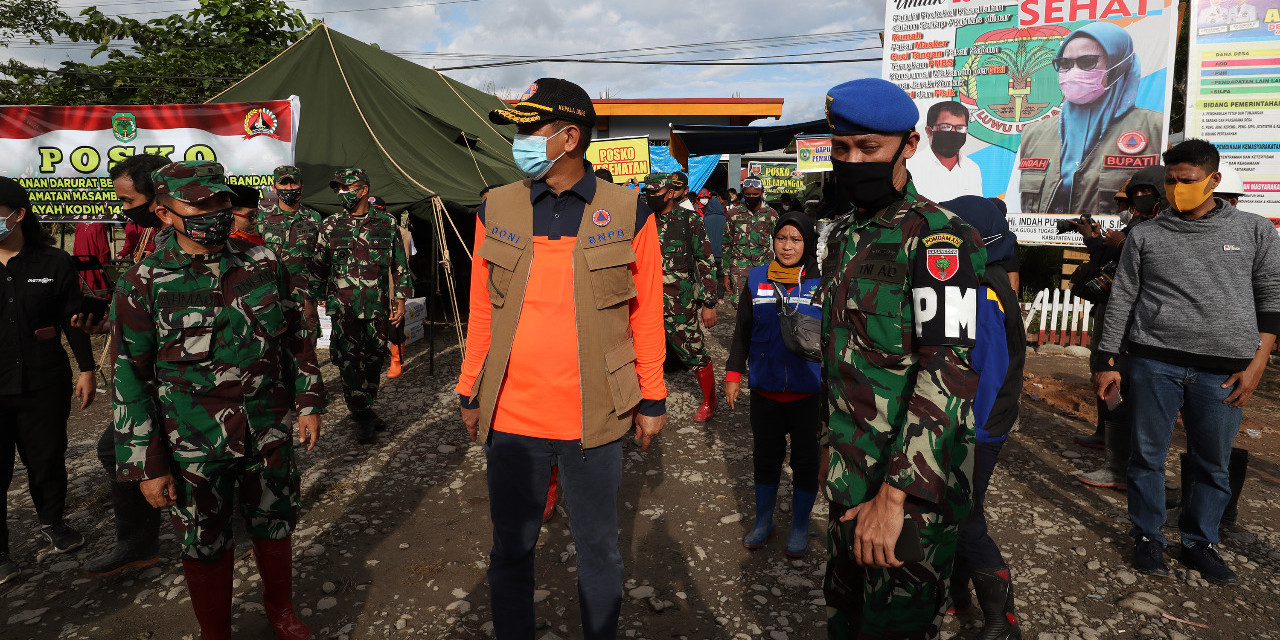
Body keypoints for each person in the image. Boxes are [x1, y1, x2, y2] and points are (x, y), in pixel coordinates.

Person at [456, 77, 667, 640]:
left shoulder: (630, 211)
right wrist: (469, 389)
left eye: (529, 130)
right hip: (512, 417)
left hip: (594, 421)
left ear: (568, 137)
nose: (518, 142)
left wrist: (652, 397)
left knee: (598, 551)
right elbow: (482, 312)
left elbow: (645, 315)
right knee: (511, 549)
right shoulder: (494, 207)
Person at [110, 161, 324, 640]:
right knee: (204, 537)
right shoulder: (145, 280)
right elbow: (129, 377)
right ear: (165, 214)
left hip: (267, 426)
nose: (215, 212)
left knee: (276, 518)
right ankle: (215, 631)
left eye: (222, 202)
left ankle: (280, 610)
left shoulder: (264, 261)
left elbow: (295, 337)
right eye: (199, 204)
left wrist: (308, 402)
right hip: (194, 439)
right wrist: (147, 462)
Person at [818, 78, 985, 639]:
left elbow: (950, 376)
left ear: (908, 145)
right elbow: (841, 359)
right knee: (845, 617)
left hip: (906, 489)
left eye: (869, 148)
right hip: (848, 472)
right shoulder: (845, 235)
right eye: (841, 149)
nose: (852, 161)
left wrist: (895, 498)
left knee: (896, 628)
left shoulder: (941, 239)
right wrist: (828, 454)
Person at [1095, 139, 1280, 585]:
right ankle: (1148, 537)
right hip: (1152, 363)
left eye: (1188, 181)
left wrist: (1258, 365)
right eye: (1172, 181)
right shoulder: (1146, 234)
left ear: (1213, 180)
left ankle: (1199, 542)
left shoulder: (1255, 231)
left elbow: (1271, 298)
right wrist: (1107, 359)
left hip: (1225, 370)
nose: (1178, 189)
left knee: (1212, 463)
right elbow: (1122, 298)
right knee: (1147, 457)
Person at [0, 177, 98, 584]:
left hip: (43, 381)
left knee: (47, 458)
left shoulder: (54, 262)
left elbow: (73, 320)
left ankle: (53, 522)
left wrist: (88, 369)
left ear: (18, 214)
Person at [940, 196, 1026, 640]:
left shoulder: (984, 290)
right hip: (973, 420)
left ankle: (1002, 616)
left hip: (979, 424)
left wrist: (969, 432)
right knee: (950, 508)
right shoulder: (976, 278)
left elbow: (989, 373)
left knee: (965, 514)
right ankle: (958, 592)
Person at [82, 153, 172, 578]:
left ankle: (239, 529)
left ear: (158, 196)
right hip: (142, 370)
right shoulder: (146, 239)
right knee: (117, 449)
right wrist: (107, 321)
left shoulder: (188, 241)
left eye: (128, 199)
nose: (123, 209)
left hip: (177, 376)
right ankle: (139, 544)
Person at [725, 211, 822, 557]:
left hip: (809, 391)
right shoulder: (755, 279)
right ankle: (764, 520)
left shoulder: (822, 281)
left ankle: (799, 525)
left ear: (807, 243)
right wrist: (733, 374)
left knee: (806, 461)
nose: (787, 246)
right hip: (765, 389)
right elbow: (742, 330)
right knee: (765, 458)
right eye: (782, 238)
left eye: (796, 239)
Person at [1010, 22, 1162, 216]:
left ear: (1118, 66)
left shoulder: (1155, 129)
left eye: (1087, 61)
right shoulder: (1034, 134)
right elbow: (1015, 208)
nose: (1073, 72)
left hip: (1117, 245)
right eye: (1065, 64)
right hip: (1045, 246)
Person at [1073, 165, 1166, 483]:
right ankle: (1112, 450)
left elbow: (1151, 266)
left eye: (1144, 193)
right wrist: (1097, 243)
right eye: (1132, 195)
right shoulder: (1138, 224)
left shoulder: (1168, 225)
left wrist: (1114, 245)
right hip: (1115, 311)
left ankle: (1125, 469)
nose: (1132, 202)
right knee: (1106, 374)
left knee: (1128, 386)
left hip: (1143, 322)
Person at [310, 168, 412, 445]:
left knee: (374, 360)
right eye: (338, 189)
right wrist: (315, 297)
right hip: (344, 311)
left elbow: (399, 266)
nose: (341, 193)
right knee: (348, 362)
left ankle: (365, 405)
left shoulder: (387, 223)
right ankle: (361, 412)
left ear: (363, 190)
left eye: (347, 187)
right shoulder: (330, 225)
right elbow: (319, 265)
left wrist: (400, 298)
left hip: (376, 307)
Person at [644, 172, 719, 421]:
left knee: (693, 351)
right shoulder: (643, 220)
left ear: (670, 193)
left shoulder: (689, 220)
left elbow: (705, 261)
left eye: (656, 192)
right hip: (647, 301)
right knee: (643, 353)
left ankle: (710, 399)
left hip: (679, 302)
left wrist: (709, 302)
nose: (651, 196)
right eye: (648, 192)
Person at [256, 166, 323, 332]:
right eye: (283, 184)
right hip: (271, 294)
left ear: (301, 186)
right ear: (274, 187)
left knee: (305, 348)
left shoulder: (313, 218)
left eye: (292, 184)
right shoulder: (262, 217)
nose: (288, 189)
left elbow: (320, 259)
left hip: (304, 296)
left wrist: (316, 293)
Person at [908, 101, 984, 203]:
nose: (953, 132)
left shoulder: (972, 169)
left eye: (960, 128)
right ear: (929, 131)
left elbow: (976, 207)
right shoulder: (910, 166)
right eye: (946, 127)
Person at [722, 177, 778, 309]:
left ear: (762, 193)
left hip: (763, 267)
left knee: (764, 303)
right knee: (740, 305)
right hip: (739, 267)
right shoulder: (733, 214)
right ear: (743, 193)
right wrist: (726, 274)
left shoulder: (771, 214)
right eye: (748, 194)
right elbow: (726, 244)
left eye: (755, 194)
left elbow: (778, 241)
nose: (751, 197)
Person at [111, 154, 172, 263]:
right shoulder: (163, 236)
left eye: (129, 201)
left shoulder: (181, 243)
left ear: (157, 197)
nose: (124, 208)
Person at [72, 221, 111, 293]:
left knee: (96, 287)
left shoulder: (98, 226)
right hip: (81, 262)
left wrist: (103, 263)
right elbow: (76, 246)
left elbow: (103, 247)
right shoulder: (80, 225)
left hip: (95, 263)